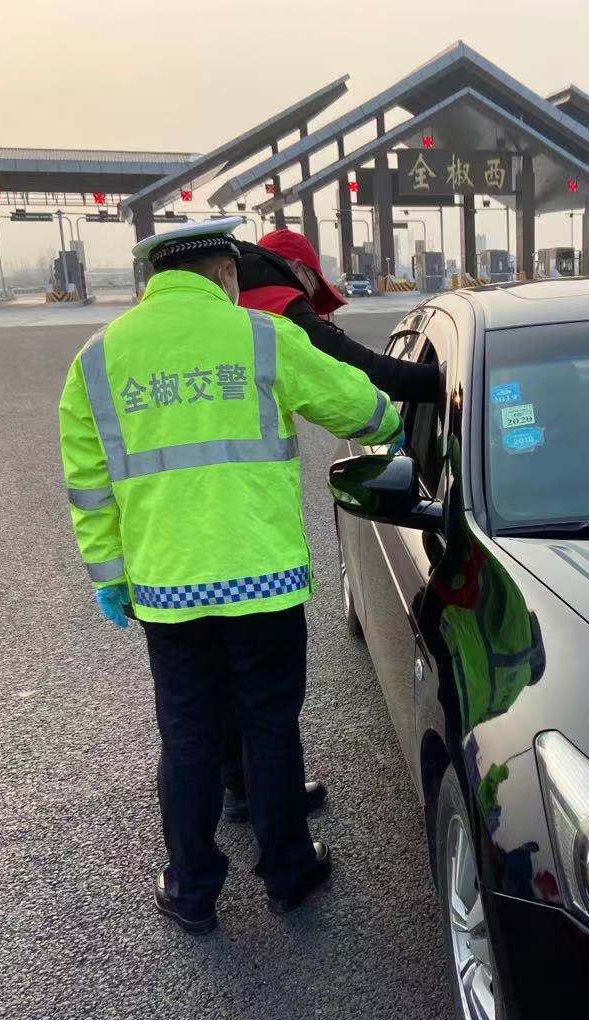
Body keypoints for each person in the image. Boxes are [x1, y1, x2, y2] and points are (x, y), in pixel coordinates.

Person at [57, 218, 402, 933]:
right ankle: (288, 874)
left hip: (166, 588)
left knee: (188, 737)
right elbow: (356, 405)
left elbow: (88, 484)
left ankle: (192, 890)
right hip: (261, 579)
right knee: (268, 723)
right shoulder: (262, 338)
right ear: (224, 273)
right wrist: (395, 422)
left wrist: (110, 577)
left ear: (153, 280)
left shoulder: (97, 358)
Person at [214, 228, 438, 826]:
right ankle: (283, 843)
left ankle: (232, 798)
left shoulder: (169, 332)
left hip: (173, 555)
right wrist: (446, 389)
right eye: (315, 291)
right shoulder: (278, 309)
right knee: (267, 694)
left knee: (204, 697)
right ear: (300, 272)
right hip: (252, 542)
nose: (317, 307)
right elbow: (360, 373)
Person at [235, 230, 443, 403]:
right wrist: (442, 380)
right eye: (315, 285)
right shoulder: (283, 305)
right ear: (298, 268)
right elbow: (358, 368)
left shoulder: (231, 296)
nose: (309, 299)